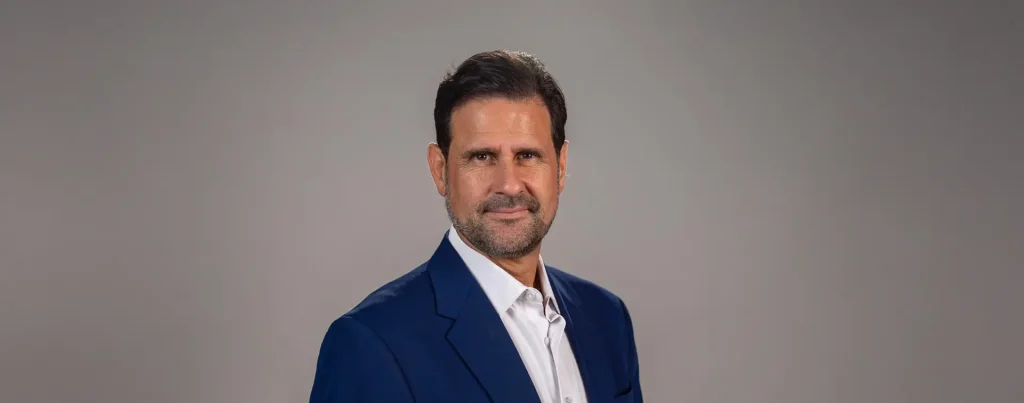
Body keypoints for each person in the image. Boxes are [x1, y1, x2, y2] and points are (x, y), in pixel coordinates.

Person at [309, 50, 643, 403]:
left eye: (527, 155)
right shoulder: (371, 344)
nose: (509, 185)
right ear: (440, 170)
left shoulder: (606, 318)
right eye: (482, 157)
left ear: (560, 167)